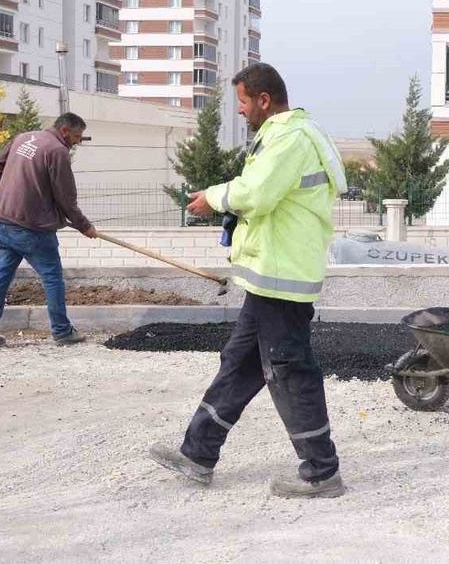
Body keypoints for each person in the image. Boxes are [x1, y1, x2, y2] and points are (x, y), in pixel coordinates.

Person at [149, 62, 349, 499]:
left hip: (282, 278)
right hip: (269, 277)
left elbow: (256, 194)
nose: (239, 111)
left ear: (263, 100)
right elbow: (254, 183)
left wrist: (214, 198)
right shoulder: (284, 136)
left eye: (242, 101)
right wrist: (222, 193)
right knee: (239, 363)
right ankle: (198, 454)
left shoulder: (291, 138)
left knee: (289, 370)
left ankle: (321, 471)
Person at [0, 112, 98, 349]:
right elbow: (66, 198)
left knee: (0, 277)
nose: (76, 142)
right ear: (64, 131)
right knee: (52, 277)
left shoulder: (24, 137)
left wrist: (15, 191)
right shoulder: (57, 151)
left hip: (2, 222)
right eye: (76, 136)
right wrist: (85, 226)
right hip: (32, 229)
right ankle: (62, 332)